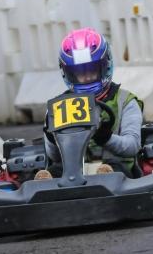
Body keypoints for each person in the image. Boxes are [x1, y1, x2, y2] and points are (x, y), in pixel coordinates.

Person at [36, 27, 144, 179]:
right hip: (72, 173)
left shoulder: (125, 101)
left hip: (117, 171)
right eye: (80, 73)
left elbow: (132, 146)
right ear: (69, 73)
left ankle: (105, 176)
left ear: (105, 65)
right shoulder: (59, 106)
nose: (87, 78)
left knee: (112, 170)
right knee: (54, 173)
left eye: (92, 71)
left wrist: (106, 138)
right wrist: (51, 137)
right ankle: (44, 187)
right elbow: (54, 156)